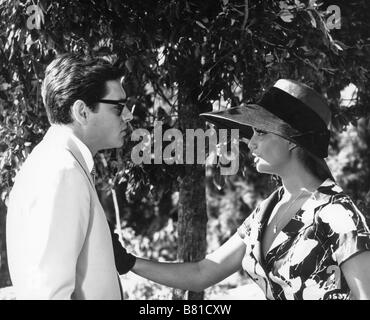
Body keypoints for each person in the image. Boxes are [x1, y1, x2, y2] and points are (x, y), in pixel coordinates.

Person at [130, 79, 370, 300]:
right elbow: (204, 272)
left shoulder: (337, 214)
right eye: (253, 132)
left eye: (262, 131)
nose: (251, 142)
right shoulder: (266, 211)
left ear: (291, 140)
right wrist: (128, 262)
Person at [6, 53, 136, 299]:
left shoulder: (60, 163)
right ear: (82, 112)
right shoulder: (60, 172)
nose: (128, 115)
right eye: (119, 107)